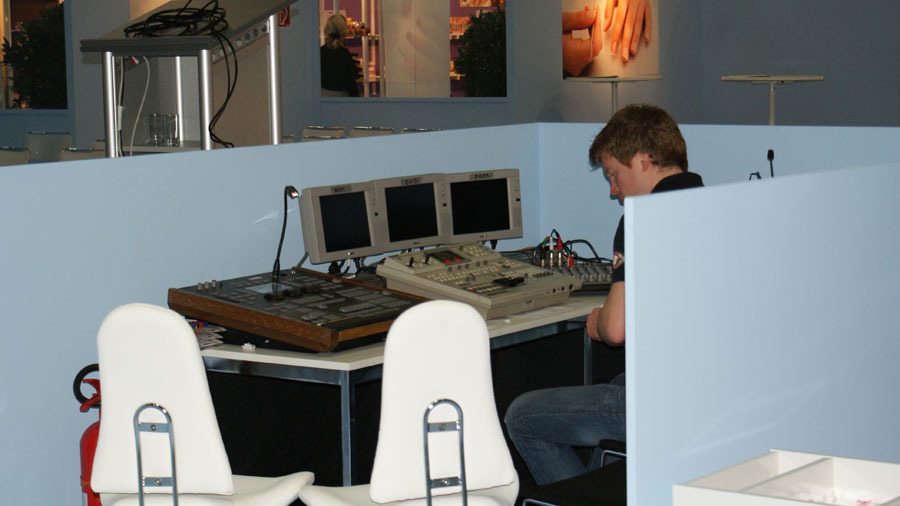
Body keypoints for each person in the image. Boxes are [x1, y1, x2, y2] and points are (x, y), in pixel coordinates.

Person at [503, 104, 704, 485]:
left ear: (643, 160)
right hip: (705, 397)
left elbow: (615, 330)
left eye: (614, 175)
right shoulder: (715, 206)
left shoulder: (643, 218)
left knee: (522, 416)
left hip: (662, 405)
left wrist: (597, 324)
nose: (614, 191)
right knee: (618, 381)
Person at [320, 14, 361, 97]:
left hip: (323, 97)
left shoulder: (320, 52)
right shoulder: (344, 54)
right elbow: (351, 82)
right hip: (342, 97)